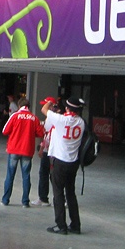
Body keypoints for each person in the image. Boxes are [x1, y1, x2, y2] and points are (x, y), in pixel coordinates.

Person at [42, 96, 85, 235]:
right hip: (73, 162)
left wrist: (51, 102)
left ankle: (61, 225)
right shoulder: (81, 123)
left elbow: (44, 109)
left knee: (58, 194)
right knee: (70, 193)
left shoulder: (61, 120)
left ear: (67, 108)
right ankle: (75, 225)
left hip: (60, 162)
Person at [1, 98, 44, 207]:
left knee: (10, 175)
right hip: (27, 150)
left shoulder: (14, 116)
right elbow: (40, 133)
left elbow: (5, 131)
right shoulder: (34, 118)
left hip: (14, 149)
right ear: (28, 106)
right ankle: (25, 201)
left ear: (19, 106)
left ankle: (5, 200)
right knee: (26, 175)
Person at [32, 97, 58, 207]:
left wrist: (42, 148)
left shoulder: (52, 118)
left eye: (46, 105)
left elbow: (47, 136)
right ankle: (44, 198)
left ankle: (47, 198)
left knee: (50, 175)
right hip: (52, 151)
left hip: (51, 151)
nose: (44, 107)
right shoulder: (55, 118)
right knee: (48, 174)